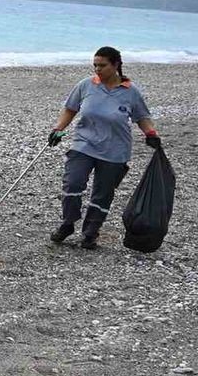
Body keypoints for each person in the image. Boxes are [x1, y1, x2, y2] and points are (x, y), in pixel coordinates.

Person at [48, 46, 160, 249]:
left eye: (102, 65)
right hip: (84, 144)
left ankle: (90, 232)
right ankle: (68, 223)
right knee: (72, 184)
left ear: (115, 65)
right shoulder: (86, 85)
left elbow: (142, 117)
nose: (97, 69)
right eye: (95, 65)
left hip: (115, 151)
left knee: (103, 193)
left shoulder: (131, 92)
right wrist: (58, 129)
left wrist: (151, 134)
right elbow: (70, 109)